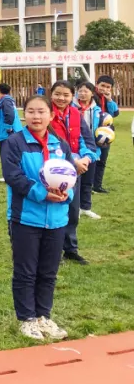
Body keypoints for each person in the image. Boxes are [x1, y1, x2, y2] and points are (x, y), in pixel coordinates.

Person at [1, 96, 75, 341]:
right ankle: (26, 319)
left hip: (56, 220)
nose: (36, 116)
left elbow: (71, 177)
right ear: (25, 115)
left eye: (41, 111)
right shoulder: (14, 143)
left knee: (49, 271)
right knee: (26, 271)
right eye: (31, 111)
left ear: (50, 115)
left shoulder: (60, 144)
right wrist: (42, 194)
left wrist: (66, 195)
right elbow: (14, 177)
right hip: (25, 218)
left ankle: (44, 316)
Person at [49, 81, 98, 266]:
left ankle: (70, 249)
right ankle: (53, 252)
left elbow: (86, 139)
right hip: (54, 170)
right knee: (55, 211)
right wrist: (73, 161)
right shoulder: (47, 113)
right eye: (57, 94)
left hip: (75, 170)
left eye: (66, 95)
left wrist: (86, 158)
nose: (61, 98)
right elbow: (52, 142)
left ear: (72, 96)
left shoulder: (75, 113)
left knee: (72, 211)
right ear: (51, 94)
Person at [75, 81, 104, 221]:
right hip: (75, 148)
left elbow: (106, 127)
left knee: (87, 181)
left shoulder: (97, 110)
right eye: (80, 90)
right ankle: (74, 209)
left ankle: (85, 208)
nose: (82, 93)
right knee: (75, 181)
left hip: (92, 149)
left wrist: (104, 137)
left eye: (85, 91)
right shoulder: (72, 108)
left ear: (92, 93)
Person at [92, 75, 120, 194]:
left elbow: (115, 113)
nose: (105, 89)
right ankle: (87, 184)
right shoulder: (91, 96)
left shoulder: (108, 99)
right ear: (96, 85)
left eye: (108, 87)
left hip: (106, 134)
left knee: (102, 161)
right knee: (91, 159)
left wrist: (109, 100)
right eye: (102, 86)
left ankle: (97, 185)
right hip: (93, 133)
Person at [0, 83, 21, 183]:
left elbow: (9, 114)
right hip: (9, 131)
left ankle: (9, 175)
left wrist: (8, 127)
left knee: (6, 154)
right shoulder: (8, 100)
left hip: (9, 133)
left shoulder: (5, 101)